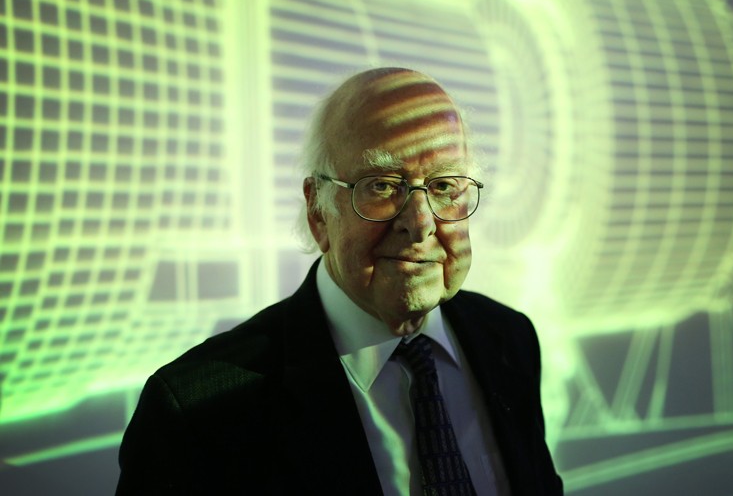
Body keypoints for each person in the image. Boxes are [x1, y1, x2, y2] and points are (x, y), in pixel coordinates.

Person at [116, 67, 563, 495]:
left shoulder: (508, 338)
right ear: (318, 210)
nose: (421, 222)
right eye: (383, 185)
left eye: (444, 186)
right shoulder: (197, 412)